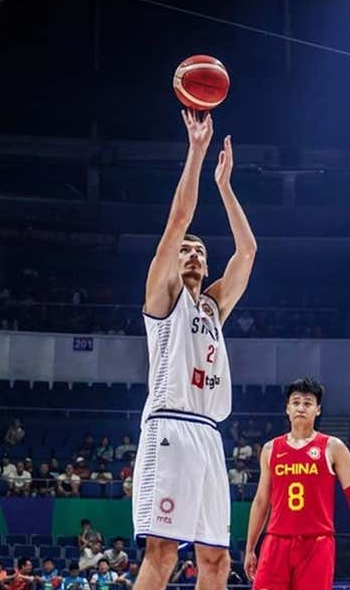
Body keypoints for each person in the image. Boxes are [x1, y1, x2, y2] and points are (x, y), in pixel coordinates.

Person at [133, 109, 257, 590]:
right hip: (169, 427)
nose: (194, 254)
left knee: (216, 562)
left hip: (209, 437)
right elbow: (180, 216)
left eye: (200, 251)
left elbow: (246, 253)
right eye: (186, 249)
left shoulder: (213, 307)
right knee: (162, 556)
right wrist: (198, 151)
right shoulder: (164, 297)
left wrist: (226, 187)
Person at [243, 379, 350, 590]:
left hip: (316, 544)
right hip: (276, 541)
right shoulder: (270, 449)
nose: (301, 408)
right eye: (296, 402)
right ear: (287, 408)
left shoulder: (333, 447)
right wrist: (250, 548)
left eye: (307, 403)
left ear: (318, 409)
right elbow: (260, 502)